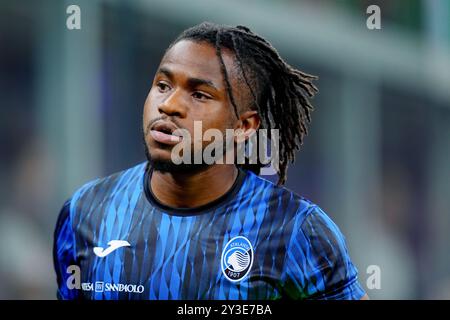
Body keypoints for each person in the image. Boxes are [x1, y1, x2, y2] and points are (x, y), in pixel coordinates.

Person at [53, 22, 367, 300]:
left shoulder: (297, 230)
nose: (170, 105)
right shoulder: (85, 212)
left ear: (244, 127)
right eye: (163, 86)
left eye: (200, 94)